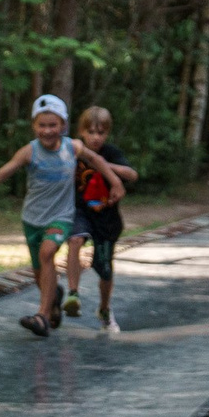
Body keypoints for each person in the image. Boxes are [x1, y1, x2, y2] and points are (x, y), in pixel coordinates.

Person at [0, 95, 129, 338]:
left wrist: (115, 182)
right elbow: (2, 174)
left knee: (47, 253)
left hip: (61, 217)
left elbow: (96, 160)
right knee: (39, 271)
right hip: (32, 219)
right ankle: (53, 300)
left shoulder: (72, 147)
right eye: (41, 125)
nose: (47, 130)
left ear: (63, 125)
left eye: (53, 125)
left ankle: (41, 317)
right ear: (34, 126)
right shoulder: (29, 151)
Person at [66, 106, 140, 329]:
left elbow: (132, 174)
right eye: (91, 132)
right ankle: (73, 294)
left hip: (106, 218)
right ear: (81, 131)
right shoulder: (74, 150)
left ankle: (105, 308)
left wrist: (103, 164)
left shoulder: (111, 153)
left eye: (101, 132)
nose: (96, 137)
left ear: (107, 133)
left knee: (104, 269)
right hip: (80, 211)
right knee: (75, 240)